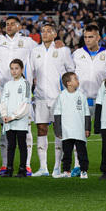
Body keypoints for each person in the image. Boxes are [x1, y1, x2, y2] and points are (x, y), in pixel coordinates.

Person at [0, 16, 38, 176]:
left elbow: (40, 54)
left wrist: (57, 45)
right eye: (7, 24)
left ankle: (27, 165)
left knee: (27, 130)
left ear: (19, 26)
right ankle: (6, 165)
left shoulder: (28, 42)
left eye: (12, 24)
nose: (9, 26)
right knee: (4, 130)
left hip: (22, 90)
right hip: (4, 88)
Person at [27, 23, 74, 177]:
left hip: (58, 97)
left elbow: (71, 70)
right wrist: (29, 93)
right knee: (41, 129)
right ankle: (43, 168)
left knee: (58, 131)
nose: (45, 33)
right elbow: (30, 74)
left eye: (49, 31)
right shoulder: (35, 51)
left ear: (55, 34)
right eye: (43, 31)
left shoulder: (63, 50)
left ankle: (57, 167)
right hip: (40, 97)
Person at [72, 24, 106, 174]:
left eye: (90, 37)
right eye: (85, 37)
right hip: (82, 100)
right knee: (79, 134)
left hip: (102, 100)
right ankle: (78, 165)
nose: (87, 40)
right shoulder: (77, 54)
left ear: (98, 38)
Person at [53, 72, 91, 179]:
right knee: (67, 152)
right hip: (66, 130)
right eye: (75, 79)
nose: (78, 80)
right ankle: (66, 171)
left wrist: (87, 128)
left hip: (79, 130)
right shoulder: (61, 96)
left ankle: (83, 171)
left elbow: (86, 113)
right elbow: (57, 114)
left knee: (82, 152)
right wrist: (58, 130)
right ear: (68, 83)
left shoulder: (81, 95)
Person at [0, 59, 31, 178]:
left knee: (22, 145)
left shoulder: (26, 84)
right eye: (12, 68)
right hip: (8, 121)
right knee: (10, 145)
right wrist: (4, 115)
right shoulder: (8, 84)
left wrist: (13, 116)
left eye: (16, 68)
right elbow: (3, 102)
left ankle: (22, 169)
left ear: (22, 70)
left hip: (20, 121)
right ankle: (9, 168)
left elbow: (25, 104)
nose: (14, 71)